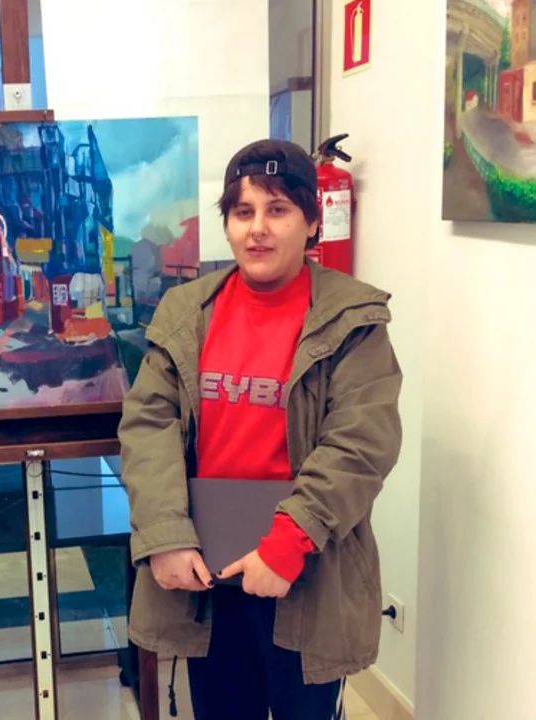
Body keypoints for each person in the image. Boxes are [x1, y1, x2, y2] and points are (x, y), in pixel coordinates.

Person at [118, 138, 402, 720]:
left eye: (278, 210)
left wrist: (286, 544)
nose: (258, 229)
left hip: (306, 570)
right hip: (206, 573)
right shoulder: (186, 313)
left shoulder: (352, 320)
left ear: (312, 221)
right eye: (243, 211)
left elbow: (361, 444)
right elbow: (148, 425)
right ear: (227, 224)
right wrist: (165, 535)